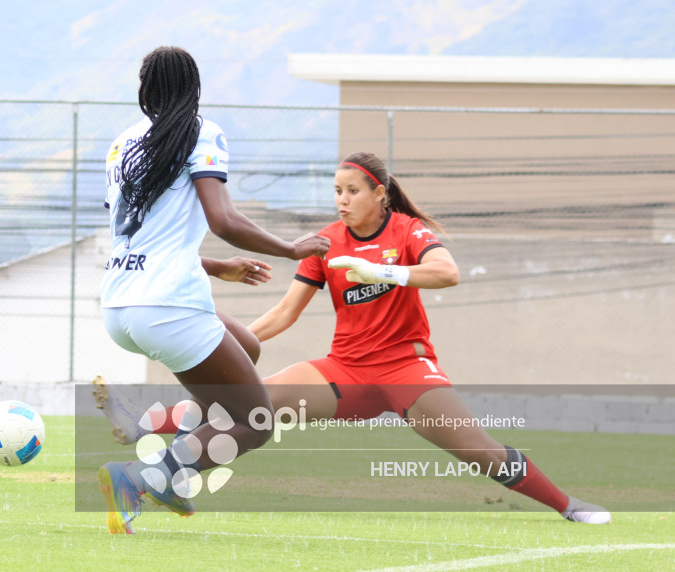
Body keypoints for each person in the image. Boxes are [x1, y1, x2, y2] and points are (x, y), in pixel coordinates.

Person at [246, 151, 610, 524]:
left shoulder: (406, 230)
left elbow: (448, 273)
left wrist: (383, 272)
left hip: (405, 367)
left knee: (477, 450)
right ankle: (199, 475)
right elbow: (285, 312)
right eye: (338, 191)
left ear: (379, 193)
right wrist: (230, 344)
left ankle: (568, 505)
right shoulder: (325, 242)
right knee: (249, 401)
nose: (343, 200)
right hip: (346, 369)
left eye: (353, 191)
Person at [96, 45, 329, 535]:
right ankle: (141, 478)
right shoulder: (200, 131)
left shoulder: (122, 144)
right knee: (257, 421)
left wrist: (217, 267)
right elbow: (223, 219)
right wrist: (291, 249)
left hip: (119, 303)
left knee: (246, 345)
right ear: (194, 89)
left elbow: (137, 238)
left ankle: (173, 475)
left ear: (144, 91)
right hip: (166, 306)